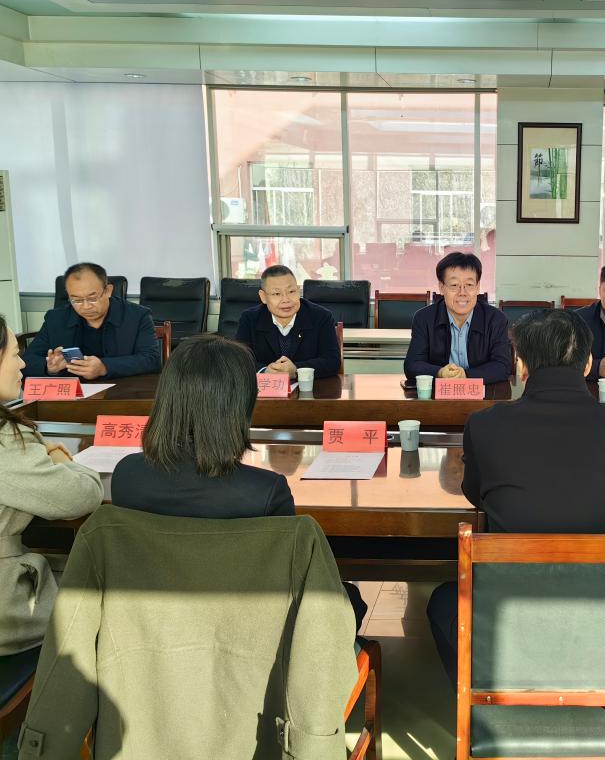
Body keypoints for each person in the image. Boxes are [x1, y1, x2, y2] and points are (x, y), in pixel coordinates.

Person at [426, 309, 605, 685]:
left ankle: (486, 687)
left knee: (442, 601)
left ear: (521, 365)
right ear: (588, 363)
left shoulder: (485, 424)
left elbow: (475, 494)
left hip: (510, 614)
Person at [111, 334, 366, 626]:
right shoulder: (265, 491)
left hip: (153, 625)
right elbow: (286, 581)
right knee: (351, 600)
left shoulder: (127, 474)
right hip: (246, 631)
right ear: (240, 404)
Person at [0, 313, 102, 656]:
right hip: (8, 612)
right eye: (14, 354)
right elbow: (83, 496)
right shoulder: (5, 441)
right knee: (112, 591)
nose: (22, 364)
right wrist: (58, 456)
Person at [22, 262, 161, 379]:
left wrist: (104, 367)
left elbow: (152, 360)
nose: (86, 306)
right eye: (76, 300)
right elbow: (26, 361)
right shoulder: (56, 319)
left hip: (122, 391)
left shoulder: (137, 316)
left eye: (92, 298)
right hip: (72, 395)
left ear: (108, 291)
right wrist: (49, 367)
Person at [404, 252, 513, 384]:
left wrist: (466, 375)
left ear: (478, 287)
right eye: (454, 285)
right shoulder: (424, 318)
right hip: (438, 393)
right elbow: (412, 365)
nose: (462, 292)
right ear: (442, 287)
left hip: (484, 393)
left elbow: (503, 366)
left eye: (469, 285)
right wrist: (440, 373)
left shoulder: (495, 319)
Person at [236, 264, 340, 379]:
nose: (286, 300)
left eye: (291, 291)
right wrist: (265, 371)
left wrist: (296, 370)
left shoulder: (321, 317)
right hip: (265, 388)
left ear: (298, 291)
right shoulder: (250, 319)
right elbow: (239, 361)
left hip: (312, 388)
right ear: (263, 297)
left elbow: (333, 361)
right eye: (277, 294)